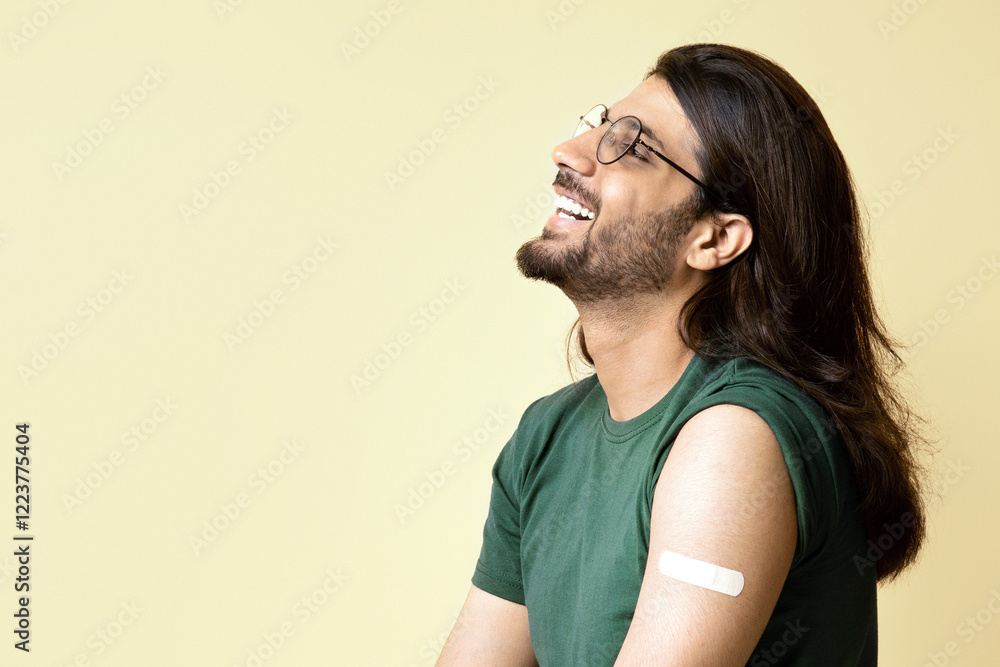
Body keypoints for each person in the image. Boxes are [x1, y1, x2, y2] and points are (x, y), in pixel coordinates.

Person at [436, 43, 931, 666]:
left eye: (633, 148)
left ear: (716, 237)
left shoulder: (734, 439)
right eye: (597, 124)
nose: (568, 151)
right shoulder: (547, 436)